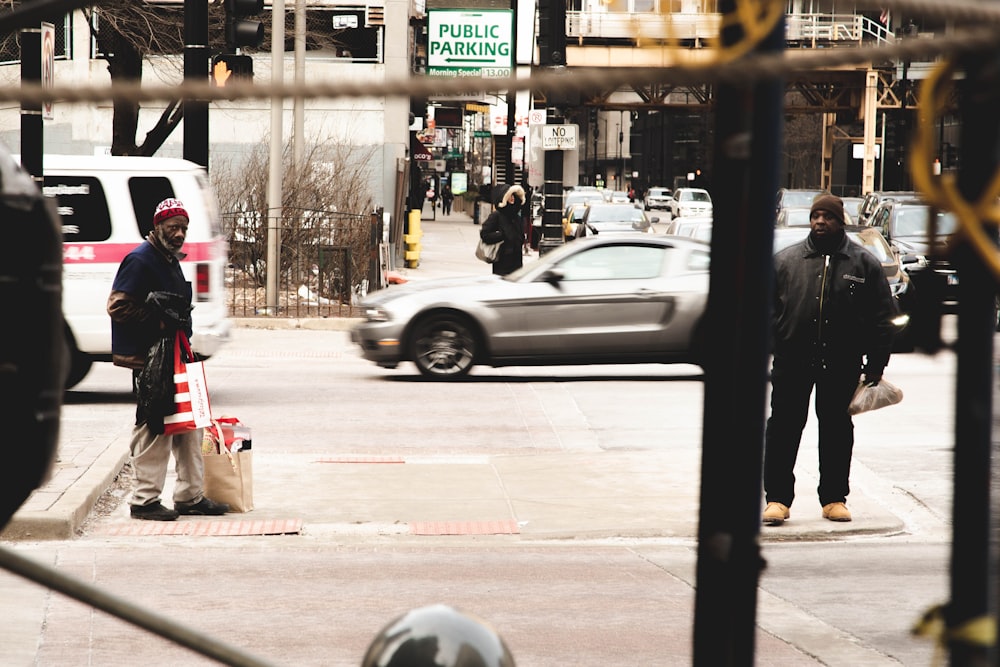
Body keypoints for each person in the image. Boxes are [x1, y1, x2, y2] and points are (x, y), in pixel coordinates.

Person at [762, 194, 896, 526]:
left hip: (842, 362)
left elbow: (883, 318)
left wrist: (876, 365)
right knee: (783, 429)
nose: (820, 221)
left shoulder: (863, 264)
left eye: (828, 217)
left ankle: (834, 499)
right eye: (816, 215)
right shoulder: (786, 262)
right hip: (792, 361)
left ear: (841, 222)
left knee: (837, 430)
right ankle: (777, 500)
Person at [107, 198, 230, 521]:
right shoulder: (140, 260)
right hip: (153, 360)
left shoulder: (168, 259)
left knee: (191, 425)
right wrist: (158, 321)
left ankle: (190, 496)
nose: (179, 234)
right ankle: (144, 501)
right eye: (173, 227)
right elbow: (118, 306)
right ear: (158, 226)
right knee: (154, 426)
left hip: (177, 355)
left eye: (184, 228)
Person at [479, 183, 526, 276]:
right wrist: (501, 235)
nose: (512, 198)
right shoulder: (497, 215)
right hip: (502, 262)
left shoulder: (517, 216)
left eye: (513, 195)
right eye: (509, 196)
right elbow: (485, 234)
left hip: (517, 262)